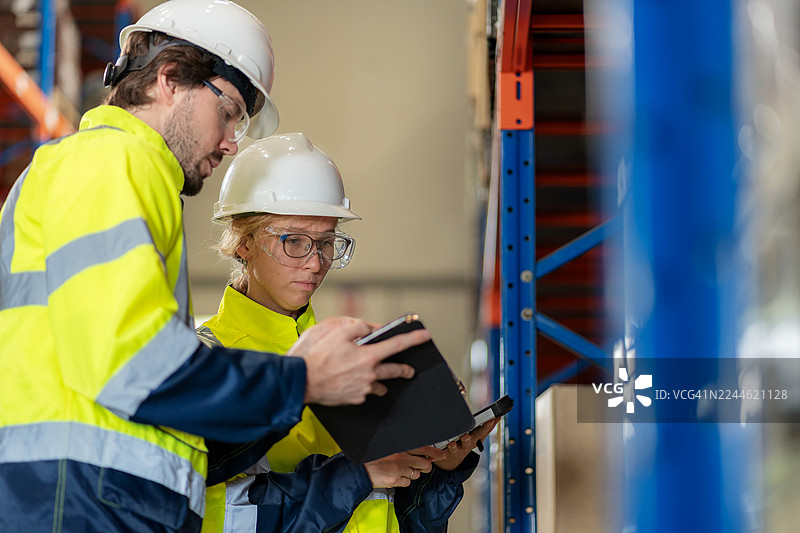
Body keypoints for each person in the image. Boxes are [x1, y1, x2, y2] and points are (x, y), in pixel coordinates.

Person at [0, 2, 428, 532]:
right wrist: (302, 381)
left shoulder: (125, 178)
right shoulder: (110, 163)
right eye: (227, 112)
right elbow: (130, 364)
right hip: (78, 503)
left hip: (94, 501)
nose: (230, 141)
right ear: (171, 79)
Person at [197, 132, 498, 533]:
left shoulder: (358, 357)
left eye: (327, 243)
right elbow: (222, 513)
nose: (315, 263)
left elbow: (388, 514)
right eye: (295, 242)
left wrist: (437, 466)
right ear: (243, 243)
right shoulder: (206, 361)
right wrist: (357, 475)